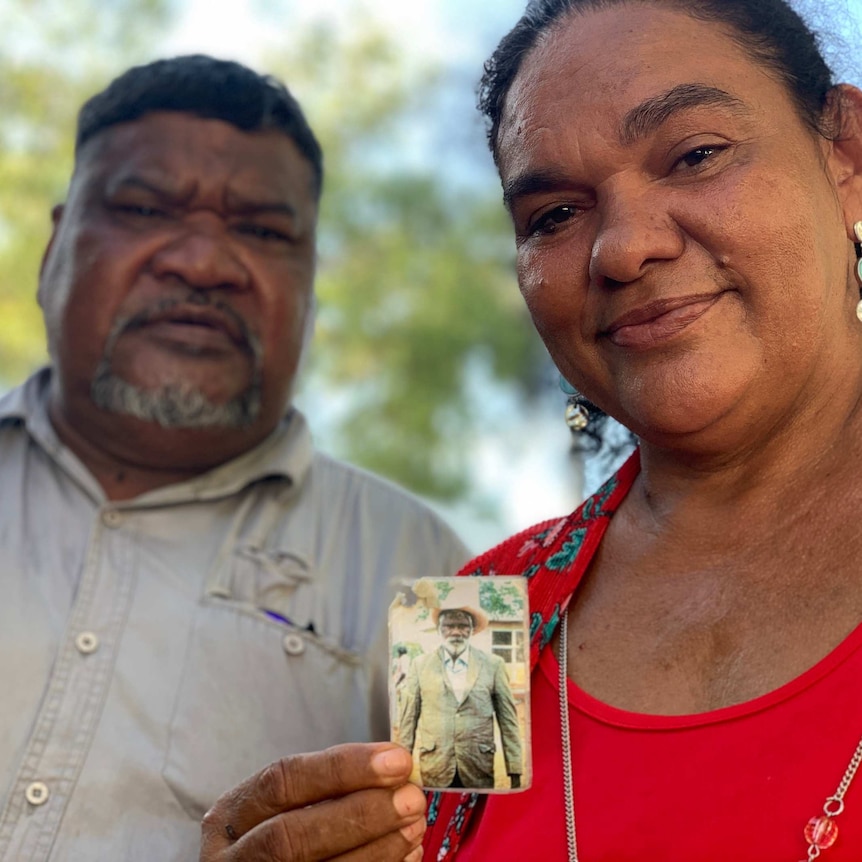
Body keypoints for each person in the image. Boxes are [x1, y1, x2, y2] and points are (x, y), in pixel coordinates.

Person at [285, 0, 862, 858]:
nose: (623, 249)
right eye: (554, 215)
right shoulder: (476, 620)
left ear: (845, 151)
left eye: (696, 155)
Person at [0, 55, 471, 862]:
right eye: (145, 207)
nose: (203, 263)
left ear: (312, 286)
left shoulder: (441, 577)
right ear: (54, 251)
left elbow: (499, 841)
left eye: (261, 230)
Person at [397, 604, 522, 789]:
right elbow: (408, 720)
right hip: (435, 767)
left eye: (463, 626)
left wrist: (515, 771)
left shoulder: (493, 665)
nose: (456, 631)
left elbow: (508, 720)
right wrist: (400, 770)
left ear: (472, 630)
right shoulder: (420, 665)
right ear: (439, 630)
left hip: (478, 767)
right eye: (449, 625)